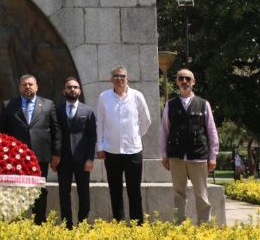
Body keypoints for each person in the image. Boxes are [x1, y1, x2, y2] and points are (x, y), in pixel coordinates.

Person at [0, 74, 61, 224]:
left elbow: (56, 131)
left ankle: (39, 222)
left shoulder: (48, 105)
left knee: (39, 189)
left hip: (40, 156)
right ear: (19, 87)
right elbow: (1, 132)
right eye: (24, 84)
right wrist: (2, 156)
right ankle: (17, 222)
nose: (28, 87)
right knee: (16, 189)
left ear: (37, 87)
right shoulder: (9, 105)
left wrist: (56, 153)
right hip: (15, 157)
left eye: (31, 84)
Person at [160, 68, 219, 225]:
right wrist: (164, 154)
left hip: (198, 156)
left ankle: (204, 227)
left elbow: (212, 131)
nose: (184, 81)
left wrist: (213, 156)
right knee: (178, 195)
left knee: (201, 195)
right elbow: (164, 131)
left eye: (187, 78)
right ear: (177, 82)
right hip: (176, 157)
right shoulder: (170, 105)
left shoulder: (203, 104)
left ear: (193, 82)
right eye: (181, 78)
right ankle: (180, 226)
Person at [96, 65, 151, 224]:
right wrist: (100, 146)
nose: (119, 79)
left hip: (133, 151)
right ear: (111, 79)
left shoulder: (137, 96)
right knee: (115, 190)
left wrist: (135, 135)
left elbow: (146, 120)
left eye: (122, 76)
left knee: (134, 190)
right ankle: (118, 224)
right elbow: (99, 122)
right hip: (110, 151)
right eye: (116, 76)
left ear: (127, 79)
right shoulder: (103, 97)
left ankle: (137, 225)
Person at [57, 76, 97, 229]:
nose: (72, 89)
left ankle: (82, 223)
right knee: (64, 193)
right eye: (69, 87)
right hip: (63, 159)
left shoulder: (88, 111)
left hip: (82, 159)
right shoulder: (57, 110)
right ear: (64, 91)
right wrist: (56, 156)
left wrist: (90, 159)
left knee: (84, 193)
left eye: (75, 87)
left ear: (79, 91)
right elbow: (56, 134)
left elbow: (92, 136)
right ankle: (67, 225)